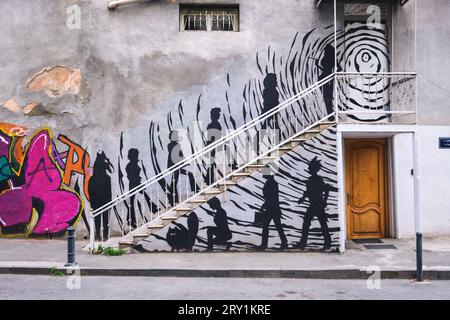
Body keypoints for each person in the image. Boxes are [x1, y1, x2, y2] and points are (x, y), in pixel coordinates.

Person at [297, 157, 333, 250]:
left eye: (310, 168)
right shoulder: (310, 180)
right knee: (311, 222)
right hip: (313, 205)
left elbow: (326, 189)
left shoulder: (318, 179)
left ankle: (326, 242)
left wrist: (324, 202)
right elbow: (307, 192)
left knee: (319, 223)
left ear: (313, 169)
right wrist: (302, 199)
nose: (308, 169)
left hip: (318, 205)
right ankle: (304, 243)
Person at [258, 171, 288, 251]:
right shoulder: (272, 183)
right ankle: (284, 243)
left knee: (267, 227)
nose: (263, 174)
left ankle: (264, 245)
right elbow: (271, 197)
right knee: (276, 226)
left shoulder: (271, 183)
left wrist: (265, 205)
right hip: (273, 208)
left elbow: (271, 197)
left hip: (272, 208)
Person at [88, 150, 114, 240]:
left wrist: (92, 202)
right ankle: (105, 235)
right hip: (105, 201)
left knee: (97, 219)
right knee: (105, 219)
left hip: (96, 202)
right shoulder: (107, 178)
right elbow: (109, 191)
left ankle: (98, 235)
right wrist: (109, 202)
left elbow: (90, 191)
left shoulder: (92, 179)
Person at [167, 130, 197, 204]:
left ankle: (173, 199)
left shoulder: (174, 145)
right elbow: (177, 155)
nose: (177, 137)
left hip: (176, 166)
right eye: (176, 135)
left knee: (174, 182)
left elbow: (179, 155)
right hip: (175, 166)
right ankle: (173, 199)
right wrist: (184, 162)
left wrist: (185, 162)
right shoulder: (172, 145)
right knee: (175, 182)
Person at [205, 108, 222, 185]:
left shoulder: (211, 125)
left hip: (211, 145)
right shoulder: (215, 125)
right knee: (212, 163)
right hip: (213, 145)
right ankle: (209, 180)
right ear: (214, 115)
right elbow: (214, 136)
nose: (219, 115)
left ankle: (209, 180)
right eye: (218, 113)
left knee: (211, 163)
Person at [126, 148, 141, 229]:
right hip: (133, 185)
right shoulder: (130, 165)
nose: (137, 156)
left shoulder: (133, 164)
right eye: (136, 154)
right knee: (131, 203)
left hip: (135, 184)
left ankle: (130, 220)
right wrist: (138, 183)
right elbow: (131, 177)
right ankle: (131, 220)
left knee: (131, 203)